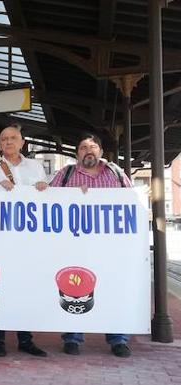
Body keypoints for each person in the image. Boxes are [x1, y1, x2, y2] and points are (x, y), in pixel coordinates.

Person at [49, 133, 133, 358]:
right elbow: (47, 201)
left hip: (111, 246)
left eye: (93, 146)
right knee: (74, 287)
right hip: (75, 245)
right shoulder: (65, 174)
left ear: (101, 152)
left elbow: (132, 201)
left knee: (113, 289)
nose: (88, 150)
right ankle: (72, 338)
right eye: (83, 146)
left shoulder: (116, 172)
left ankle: (118, 339)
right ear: (77, 153)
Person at [0, 123, 48, 358]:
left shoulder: (36, 167)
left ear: (22, 142)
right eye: (4, 138)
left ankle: (25, 339)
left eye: (13, 138)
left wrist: (42, 188)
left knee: (24, 287)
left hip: (27, 241)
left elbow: (45, 200)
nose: (8, 142)